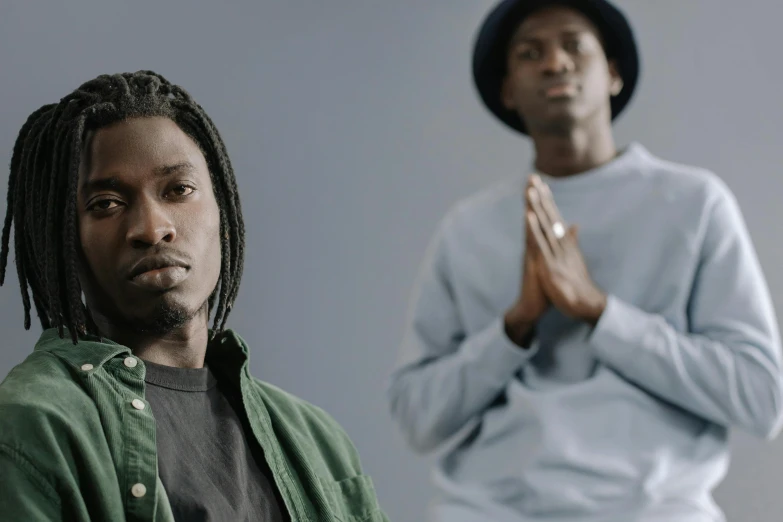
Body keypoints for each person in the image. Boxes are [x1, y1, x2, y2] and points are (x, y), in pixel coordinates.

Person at [387, 1, 783, 521]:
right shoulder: (466, 228)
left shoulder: (694, 204)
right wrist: (516, 325)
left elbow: (761, 397)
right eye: (530, 53)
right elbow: (416, 416)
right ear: (507, 89)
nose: (555, 63)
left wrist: (599, 311)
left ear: (613, 73)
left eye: (574, 45)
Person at [0, 71, 388, 522]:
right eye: (106, 203)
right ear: (61, 238)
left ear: (221, 208)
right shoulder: (31, 427)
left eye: (178, 190)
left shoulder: (321, 443)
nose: (152, 227)